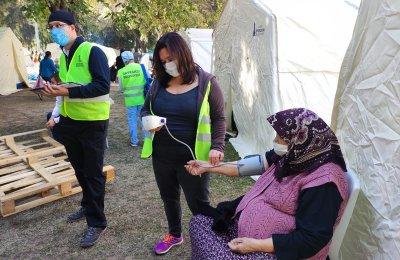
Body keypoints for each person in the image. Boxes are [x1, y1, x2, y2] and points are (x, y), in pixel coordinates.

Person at [185, 108, 349, 260]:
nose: (274, 140)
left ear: (301, 139)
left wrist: (255, 245)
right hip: (247, 236)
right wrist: (208, 167)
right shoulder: (292, 156)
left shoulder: (324, 182)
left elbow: (311, 240)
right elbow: (245, 167)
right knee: (198, 223)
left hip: (276, 252)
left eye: (280, 138)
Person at [140, 32, 226, 255]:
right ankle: (175, 234)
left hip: (193, 158)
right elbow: (144, 110)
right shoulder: (158, 84)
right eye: (163, 61)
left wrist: (217, 146)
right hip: (162, 156)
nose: (168, 65)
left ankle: (209, 239)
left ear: (184, 55)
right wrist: (147, 121)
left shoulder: (207, 82)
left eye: (171, 59)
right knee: (169, 198)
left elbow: (219, 117)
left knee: (198, 204)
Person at [41, 10, 110, 248]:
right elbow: (69, 86)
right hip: (71, 122)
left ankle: (97, 222)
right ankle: (87, 204)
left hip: (92, 123)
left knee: (92, 172)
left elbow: (102, 86)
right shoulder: (64, 54)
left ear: (73, 27)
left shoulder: (93, 51)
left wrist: (67, 91)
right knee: (80, 169)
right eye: (51, 26)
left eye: (59, 25)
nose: (54, 30)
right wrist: (57, 93)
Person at [117, 51, 148, 147]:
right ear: (132, 57)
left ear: (124, 60)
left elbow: (121, 88)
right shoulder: (142, 68)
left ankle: (134, 142)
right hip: (142, 99)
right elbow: (149, 80)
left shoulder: (121, 72)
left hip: (130, 101)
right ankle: (147, 141)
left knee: (132, 121)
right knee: (143, 120)